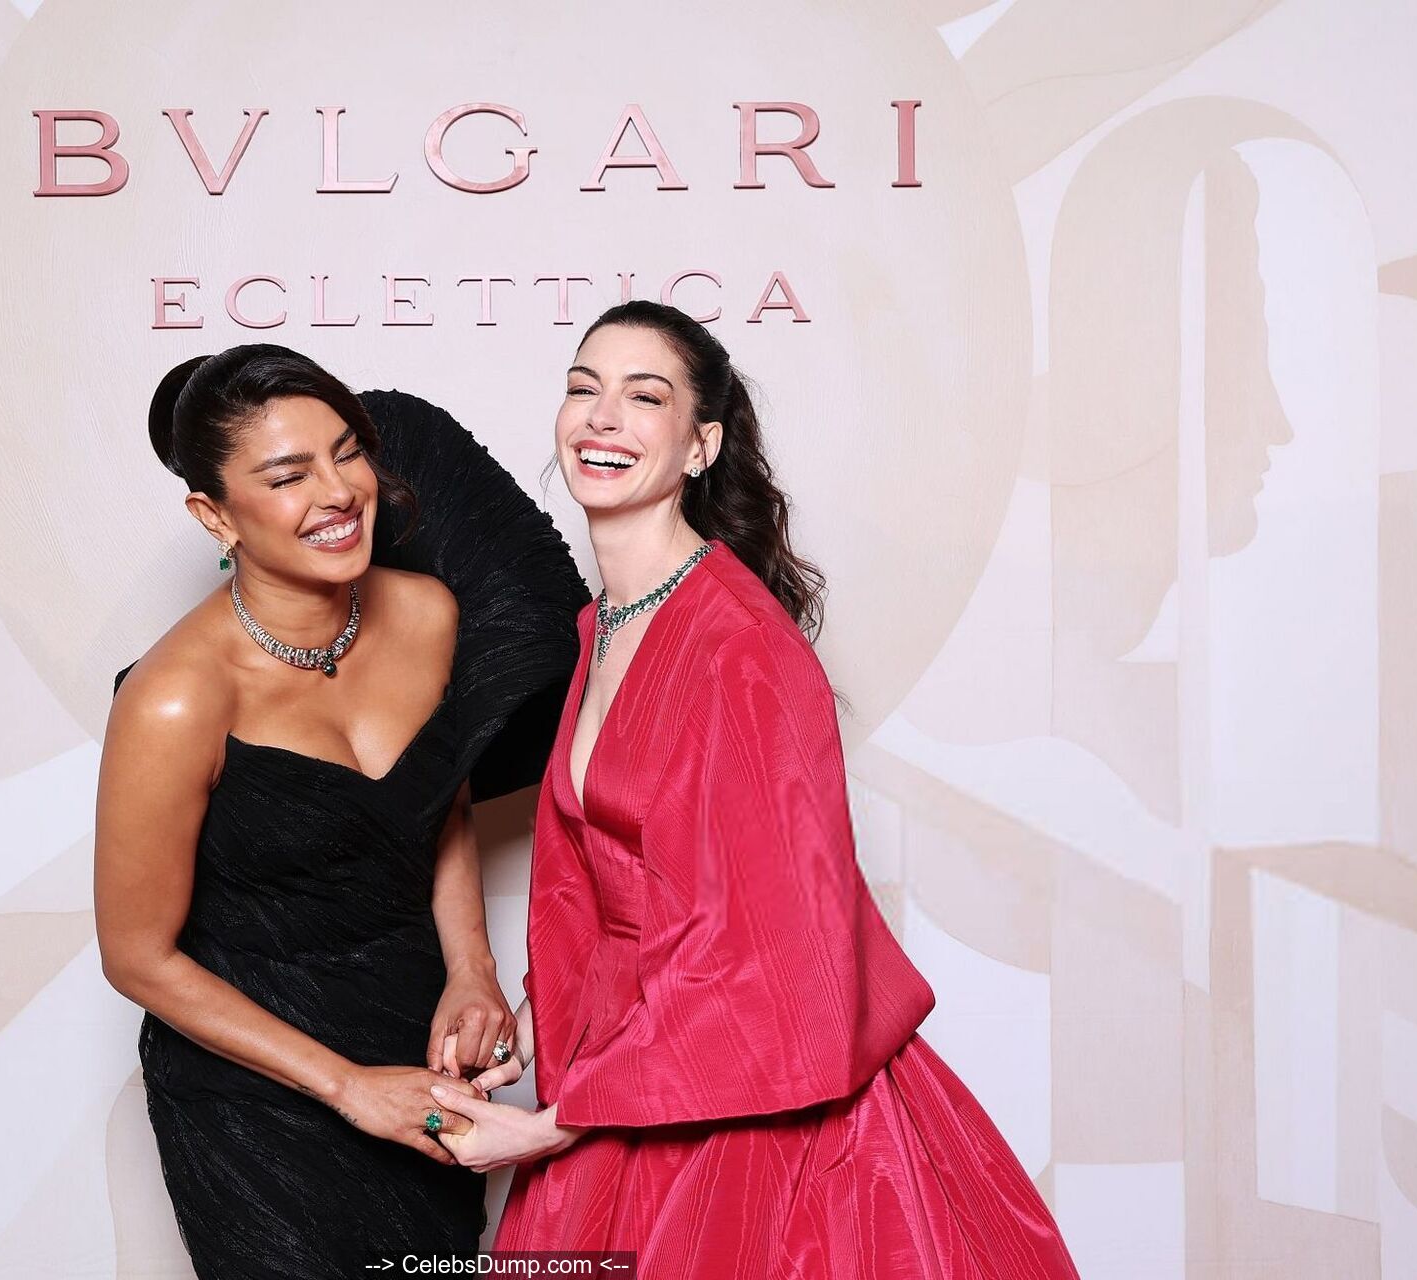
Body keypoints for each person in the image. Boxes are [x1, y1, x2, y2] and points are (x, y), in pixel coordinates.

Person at [427, 303, 1080, 1277]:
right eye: (582, 387)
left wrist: (552, 1125)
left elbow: (776, 951)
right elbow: (609, 888)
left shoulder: (743, 649)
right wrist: (532, 1027)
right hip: (627, 1072)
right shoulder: (605, 623)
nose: (602, 416)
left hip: (748, 1106)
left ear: (701, 445)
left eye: (644, 396)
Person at [95, 345, 589, 1279]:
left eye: (347, 453)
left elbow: (438, 801)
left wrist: (472, 969)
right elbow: (137, 957)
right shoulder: (174, 698)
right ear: (214, 515)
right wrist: (348, 1088)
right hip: (252, 1093)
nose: (338, 493)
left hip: (417, 1049)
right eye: (289, 476)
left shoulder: (429, 614)